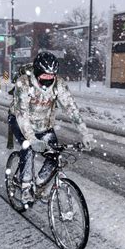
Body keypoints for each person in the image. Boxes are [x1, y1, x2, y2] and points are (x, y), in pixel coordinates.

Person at [8, 51, 94, 204]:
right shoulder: (24, 83)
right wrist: (32, 138)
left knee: (55, 154)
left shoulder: (58, 84)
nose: (48, 81)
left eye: (51, 77)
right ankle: (26, 186)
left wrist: (85, 133)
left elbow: (71, 108)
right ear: (37, 73)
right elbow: (22, 114)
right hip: (19, 121)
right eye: (44, 77)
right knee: (27, 148)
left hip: (44, 124)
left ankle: (39, 184)